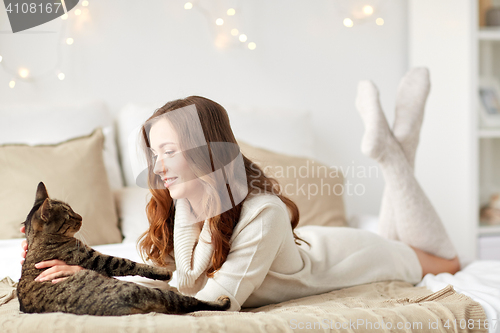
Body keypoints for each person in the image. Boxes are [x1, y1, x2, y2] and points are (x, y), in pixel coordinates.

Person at [21, 68, 460, 312]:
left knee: (446, 259)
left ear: (208, 152)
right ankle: (399, 146)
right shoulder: (189, 203)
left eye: (169, 151)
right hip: (313, 246)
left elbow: (213, 303)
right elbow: (183, 278)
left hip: (353, 256)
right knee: (396, 227)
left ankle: (391, 156)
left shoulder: (262, 213)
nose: (158, 167)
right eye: (154, 155)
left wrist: (100, 281)